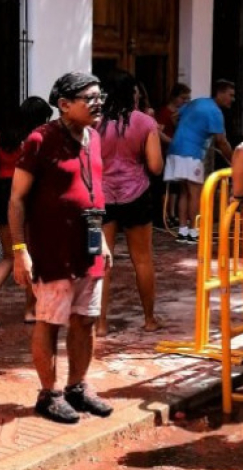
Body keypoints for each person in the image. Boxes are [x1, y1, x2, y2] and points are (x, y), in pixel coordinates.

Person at [10, 72, 114, 425]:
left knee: (85, 320)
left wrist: (98, 239)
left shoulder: (94, 139)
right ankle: (48, 393)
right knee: (50, 321)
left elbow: (91, 193)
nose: (99, 104)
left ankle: (77, 387)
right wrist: (20, 249)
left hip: (88, 249)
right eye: (91, 98)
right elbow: (16, 200)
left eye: (101, 97)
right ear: (65, 105)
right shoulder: (40, 140)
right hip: (52, 251)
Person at [95, 70, 163, 337]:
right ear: (131, 93)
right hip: (137, 194)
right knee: (143, 259)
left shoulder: (94, 123)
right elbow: (156, 166)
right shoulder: (144, 122)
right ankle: (149, 319)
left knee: (102, 261)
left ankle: (100, 325)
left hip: (102, 196)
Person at [0, 96, 51, 327]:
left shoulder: (3, 137)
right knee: (31, 254)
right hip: (25, 197)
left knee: (10, 255)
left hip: (2, 196)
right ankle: (30, 310)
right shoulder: (35, 140)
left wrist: (4, 177)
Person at [164, 79, 235, 244]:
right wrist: (234, 160)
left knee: (184, 192)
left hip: (175, 149)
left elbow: (175, 116)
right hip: (191, 153)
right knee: (195, 193)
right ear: (220, 93)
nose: (232, 99)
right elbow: (221, 141)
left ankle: (183, 231)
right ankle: (194, 233)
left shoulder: (197, 102)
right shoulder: (215, 112)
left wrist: (187, 129)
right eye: (230, 95)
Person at [156, 83, 192, 227]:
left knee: (177, 186)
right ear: (174, 97)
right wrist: (172, 142)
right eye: (182, 98)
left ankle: (173, 213)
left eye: (187, 99)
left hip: (178, 152)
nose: (184, 102)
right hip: (166, 151)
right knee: (167, 185)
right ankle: (165, 215)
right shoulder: (165, 112)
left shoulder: (180, 113)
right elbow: (159, 132)